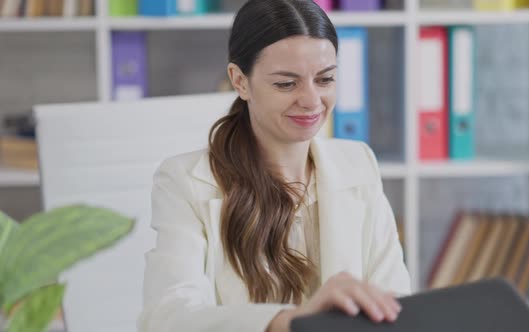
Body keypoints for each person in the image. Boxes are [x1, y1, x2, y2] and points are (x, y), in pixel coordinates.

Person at [138, 0, 411, 331]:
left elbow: (393, 304)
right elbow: (168, 318)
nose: (311, 100)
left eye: (325, 80)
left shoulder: (359, 164)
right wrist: (286, 323)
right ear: (240, 81)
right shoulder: (185, 182)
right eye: (286, 83)